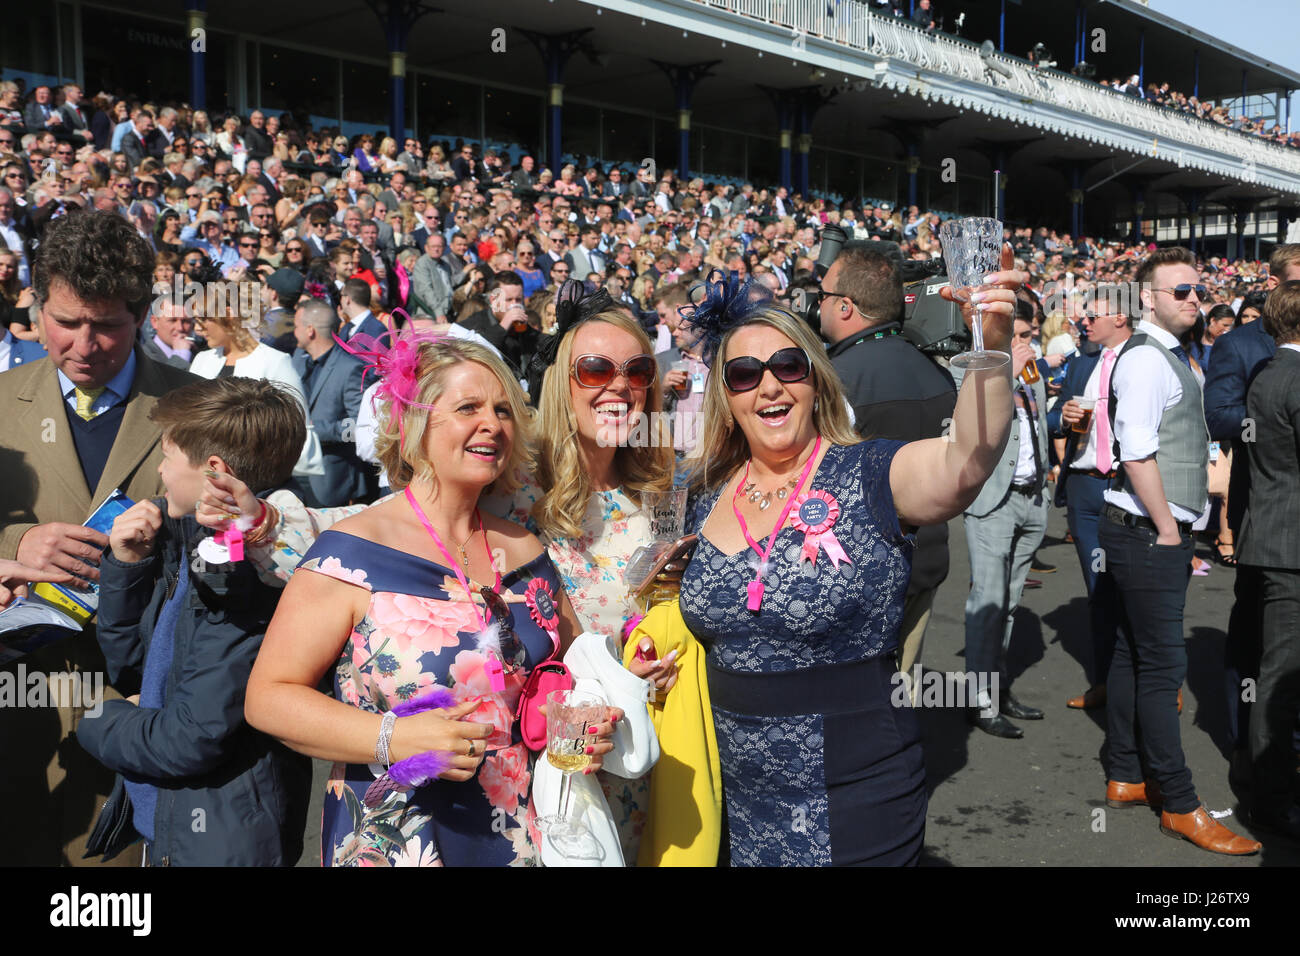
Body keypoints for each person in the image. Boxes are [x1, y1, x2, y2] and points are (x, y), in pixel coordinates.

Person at [675, 255, 1023, 866]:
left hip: (855, 789)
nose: (770, 385)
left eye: (788, 365)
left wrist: (991, 346)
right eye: (744, 374)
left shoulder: (869, 473)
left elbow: (965, 460)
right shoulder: (703, 498)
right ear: (725, 398)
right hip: (737, 798)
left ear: (817, 378)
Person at [243, 334, 623, 866]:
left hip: (523, 833)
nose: (492, 423)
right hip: (397, 835)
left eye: (503, 410)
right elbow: (268, 697)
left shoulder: (525, 548)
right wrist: (393, 737)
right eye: (467, 407)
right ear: (413, 425)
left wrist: (585, 714)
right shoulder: (353, 553)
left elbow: (572, 671)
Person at [0, 211, 198, 866]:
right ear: (35, 304)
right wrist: (14, 548)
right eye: (65, 322)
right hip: (16, 714)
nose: (84, 344)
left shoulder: (200, 408)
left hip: (140, 716)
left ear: (141, 313)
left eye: (107, 325)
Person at [76, 377, 312, 865]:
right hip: (174, 828)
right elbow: (139, 673)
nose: (160, 472)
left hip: (219, 841)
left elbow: (188, 740)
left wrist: (95, 720)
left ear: (215, 473)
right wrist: (128, 566)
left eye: (167, 457)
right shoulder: (195, 544)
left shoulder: (243, 579)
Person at [1098, 246, 1259, 855]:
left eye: (1197, 290)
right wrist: (1170, 529)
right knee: (1163, 668)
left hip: (1142, 530)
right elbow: (1136, 451)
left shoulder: (1171, 355)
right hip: (1147, 532)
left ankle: (1125, 773)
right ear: (1148, 298)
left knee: (1128, 654)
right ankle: (1180, 802)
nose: (1194, 300)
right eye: (1180, 291)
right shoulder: (1148, 361)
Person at [818, 245, 957, 704]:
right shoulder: (938, 373)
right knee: (901, 698)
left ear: (845, 306)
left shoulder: (834, 379)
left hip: (853, 580)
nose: (816, 305)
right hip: (925, 561)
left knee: (852, 712)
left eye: (822, 296)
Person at [958, 302, 1050, 738]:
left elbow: (1036, 428)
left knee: (1010, 605)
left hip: (1032, 497)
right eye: (1016, 336)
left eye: (1029, 335)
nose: (1024, 344)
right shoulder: (975, 369)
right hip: (994, 501)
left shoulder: (1035, 376)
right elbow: (968, 422)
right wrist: (1009, 371)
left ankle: (999, 689)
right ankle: (979, 701)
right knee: (987, 605)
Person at [1237, 281, 1300, 840]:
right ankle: (1272, 800)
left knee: (1276, 671)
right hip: (1290, 545)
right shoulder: (1295, 378)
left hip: (1273, 537)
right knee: (1281, 677)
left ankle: (1270, 789)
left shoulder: (1268, 370)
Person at [1049, 294, 1131, 711]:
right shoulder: (1081, 363)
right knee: (1098, 590)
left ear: (1120, 315)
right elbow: (1050, 418)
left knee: (1137, 592)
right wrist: (1062, 417)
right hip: (1084, 487)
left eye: (1091, 315)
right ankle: (1104, 683)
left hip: (1128, 486)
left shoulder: (1143, 360)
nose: (1082, 322)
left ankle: (1154, 684)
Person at [290, 298, 370, 507]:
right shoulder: (298, 358)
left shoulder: (350, 368)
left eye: (296, 326)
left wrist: (312, 431)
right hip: (294, 472)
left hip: (330, 480)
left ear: (310, 330)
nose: (293, 332)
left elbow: (357, 426)